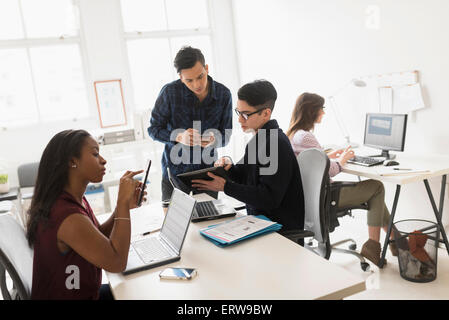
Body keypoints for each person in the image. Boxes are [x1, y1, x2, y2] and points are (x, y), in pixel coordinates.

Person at [26, 129, 145, 300]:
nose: (103, 160)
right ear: (73, 161)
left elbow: (98, 238)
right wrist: (122, 204)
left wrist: (122, 208)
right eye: (95, 154)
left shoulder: (74, 200)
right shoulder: (67, 216)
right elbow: (117, 262)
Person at [286, 92, 398, 266]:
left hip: (311, 197)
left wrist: (328, 155)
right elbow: (329, 170)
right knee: (376, 187)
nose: (323, 113)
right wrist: (342, 160)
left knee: (375, 197)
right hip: (325, 197)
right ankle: (374, 246)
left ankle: (397, 241)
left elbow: (311, 162)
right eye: (321, 109)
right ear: (312, 111)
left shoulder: (294, 134)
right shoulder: (306, 136)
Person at [191, 80, 305, 235]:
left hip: (278, 231)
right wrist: (229, 167)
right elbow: (245, 176)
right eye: (238, 112)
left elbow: (269, 198)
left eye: (245, 114)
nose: (239, 120)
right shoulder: (259, 139)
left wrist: (225, 187)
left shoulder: (275, 143)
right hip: (258, 222)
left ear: (265, 113)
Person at [147, 46, 233, 205]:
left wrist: (215, 140)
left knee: (208, 224)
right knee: (174, 228)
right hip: (174, 176)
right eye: (189, 80)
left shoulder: (224, 94)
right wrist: (179, 136)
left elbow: (226, 136)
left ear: (206, 68)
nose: (197, 85)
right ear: (180, 77)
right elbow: (153, 130)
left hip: (208, 176)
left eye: (200, 76)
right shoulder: (169, 93)